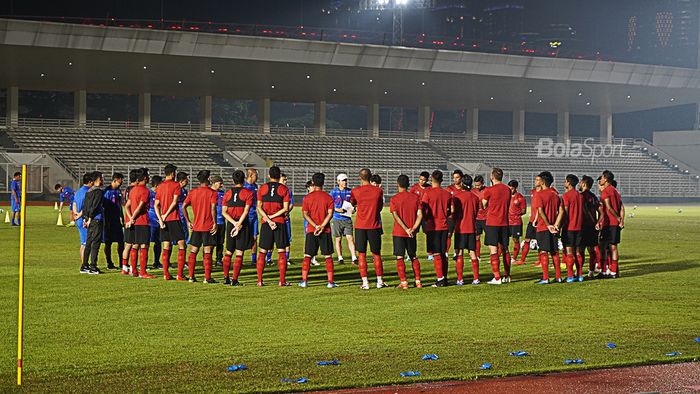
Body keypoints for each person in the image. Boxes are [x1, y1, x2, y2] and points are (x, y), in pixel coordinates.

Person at [350, 168, 386, 290]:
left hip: (360, 225)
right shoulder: (378, 191)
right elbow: (380, 207)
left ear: (360, 178)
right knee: (376, 254)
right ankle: (379, 281)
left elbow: (353, 203)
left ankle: (365, 283)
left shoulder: (355, 191)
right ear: (370, 177)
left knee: (361, 255)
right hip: (374, 225)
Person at [299, 172, 337, 288]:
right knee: (328, 256)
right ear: (323, 183)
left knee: (307, 255)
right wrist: (322, 226)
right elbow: (330, 214)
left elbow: (305, 214)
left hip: (311, 230)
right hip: (325, 230)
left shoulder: (308, 197)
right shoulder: (328, 197)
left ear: (313, 182)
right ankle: (330, 282)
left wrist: (315, 226)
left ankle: (304, 281)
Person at [256, 166, 291, 286]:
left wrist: (268, 218)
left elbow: (259, 207)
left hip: (266, 223)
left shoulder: (262, 188)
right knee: (281, 251)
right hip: (279, 223)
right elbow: (285, 208)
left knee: (262, 251)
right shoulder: (284, 189)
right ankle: (282, 281)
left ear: (269, 176)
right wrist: (273, 217)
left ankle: (260, 280)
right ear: (279, 175)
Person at [182, 170, 219, 284]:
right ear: (208, 178)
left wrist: (188, 221)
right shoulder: (212, 193)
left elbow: (183, 206)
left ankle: (191, 276)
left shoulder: (193, 192)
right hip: (208, 227)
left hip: (197, 227)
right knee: (207, 252)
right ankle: (207, 278)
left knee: (193, 251)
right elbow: (213, 208)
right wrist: (215, 223)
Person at [221, 170, 255, 286]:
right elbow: (246, 211)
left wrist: (233, 223)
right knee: (239, 252)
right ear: (244, 179)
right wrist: (238, 224)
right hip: (242, 224)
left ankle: (226, 278)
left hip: (231, 223)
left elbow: (224, 212)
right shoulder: (248, 193)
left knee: (229, 252)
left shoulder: (228, 193)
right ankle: (234, 280)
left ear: (232, 180)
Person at [390, 174, 423, 289]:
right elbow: (420, 215)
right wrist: (413, 228)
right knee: (413, 256)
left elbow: (396, 216)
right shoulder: (416, 198)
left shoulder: (394, 199)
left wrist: (405, 229)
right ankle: (418, 281)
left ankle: (404, 282)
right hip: (412, 233)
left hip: (399, 232)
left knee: (400, 257)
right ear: (408, 184)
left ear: (398, 184)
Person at [155, 165, 188, 281]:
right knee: (182, 244)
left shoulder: (160, 186)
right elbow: (174, 203)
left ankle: (166, 274)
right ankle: (179, 274)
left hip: (164, 221)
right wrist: (166, 214)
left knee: (166, 245)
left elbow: (156, 205)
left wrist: (160, 218)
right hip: (173, 218)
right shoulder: (175, 185)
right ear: (173, 173)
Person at [421, 170, 453, 287]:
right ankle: (444, 278)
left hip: (432, 226)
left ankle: (440, 279)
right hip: (444, 226)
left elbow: (424, 210)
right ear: (442, 180)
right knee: (443, 253)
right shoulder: (447, 194)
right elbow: (451, 210)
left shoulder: (427, 193)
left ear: (431, 180)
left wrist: (425, 219)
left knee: (436, 254)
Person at [482, 168, 512, 284]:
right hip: (504, 222)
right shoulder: (507, 190)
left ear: (492, 177)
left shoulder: (489, 190)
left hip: (493, 222)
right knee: (505, 249)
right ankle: (507, 276)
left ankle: (497, 277)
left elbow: (484, 205)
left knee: (493, 250)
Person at [533, 171, 563, 284]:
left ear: (543, 181)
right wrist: (556, 224)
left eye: (539, 179)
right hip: (554, 227)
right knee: (555, 251)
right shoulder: (555, 194)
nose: (537, 181)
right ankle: (558, 277)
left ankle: (545, 278)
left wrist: (548, 225)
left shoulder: (540, 194)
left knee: (544, 252)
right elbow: (561, 211)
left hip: (544, 227)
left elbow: (540, 210)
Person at [124, 168, 155, 279]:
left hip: (133, 223)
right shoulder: (145, 191)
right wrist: (133, 217)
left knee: (135, 245)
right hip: (142, 221)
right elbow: (140, 206)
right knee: (144, 245)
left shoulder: (133, 190)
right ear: (145, 178)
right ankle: (143, 272)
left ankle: (134, 270)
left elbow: (127, 206)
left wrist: (130, 219)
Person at [452, 174, 481, 285]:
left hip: (461, 228)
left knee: (459, 253)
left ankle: (460, 279)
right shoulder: (475, 197)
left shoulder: (457, 197)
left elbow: (455, 214)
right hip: (471, 228)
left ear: (462, 184)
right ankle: (476, 278)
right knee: (472, 254)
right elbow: (476, 212)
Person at [556, 174, 584, 282]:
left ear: (568, 182)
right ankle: (580, 275)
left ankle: (570, 276)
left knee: (569, 252)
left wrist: (559, 226)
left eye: (565, 181)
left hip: (569, 228)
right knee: (578, 252)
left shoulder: (566, 196)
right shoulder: (580, 196)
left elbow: (565, 213)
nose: (564, 183)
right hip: (579, 227)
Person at [597, 171, 623, 279]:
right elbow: (621, 207)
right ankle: (613, 272)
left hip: (608, 223)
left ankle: (604, 271)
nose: (600, 180)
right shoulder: (616, 191)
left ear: (606, 179)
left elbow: (608, 207)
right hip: (615, 224)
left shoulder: (605, 192)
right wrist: (621, 220)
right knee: (614, 247)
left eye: (602, 178)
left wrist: (616, 217)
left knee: (603, 247)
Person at [80, 172, 105, 275]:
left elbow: (85, 206)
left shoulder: (89, 191)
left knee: (89, 242)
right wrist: (90, 217)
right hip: (96, 219)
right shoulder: (98, 192)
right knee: (96, 243)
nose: (102, 180)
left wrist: (85, 218)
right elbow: (95, 206)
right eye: (101, 179)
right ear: (96, 180)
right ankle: (93, 266)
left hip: (89, 220)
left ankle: (84, 265)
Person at [330, 173, 358, 264]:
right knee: (338, 239)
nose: (345, 182)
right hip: (337, 218)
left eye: (346, 180)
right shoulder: (333, 192)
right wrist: (337, 210)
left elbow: (355, 204)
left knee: (350, 238)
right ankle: (340, 257)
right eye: (343, 180)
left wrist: (354, 209)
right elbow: (329, 205)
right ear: (338, 181)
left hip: (347, 218)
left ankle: (354, 257)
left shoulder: (351, 191)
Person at [579, 175, 602, 277]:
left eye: (580, 182)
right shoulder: (593, 197)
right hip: (592, 227)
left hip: (583, 226)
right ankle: (591, 271)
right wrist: (598, 222)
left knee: (580, 250)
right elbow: (601, 211)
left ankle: (578, 272)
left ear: (583, 184)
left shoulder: (580, 196)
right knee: (591, 250)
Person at [516, 179, 542, 266]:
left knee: (540, 241)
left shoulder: (543, 192)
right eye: (535, 179)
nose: (535, 181)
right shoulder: (533, 191)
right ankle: (522, 259)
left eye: (537, 180)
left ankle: (540, 260)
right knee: (527, 239)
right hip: (532, 220)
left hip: (540, 221)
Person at [102, 173, 125, 270]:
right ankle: (109, 263)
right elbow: (104, 206)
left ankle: (122, 262)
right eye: (121, 180)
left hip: (117, 220)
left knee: (121, 241)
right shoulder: (107, 191)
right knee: (108, 242)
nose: (122, 182)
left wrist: (122, 217)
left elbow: (120, 206)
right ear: (115, 180)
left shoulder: (118, 191)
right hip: (109, 220)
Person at [410, 171, 432, 260]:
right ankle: (412, 253)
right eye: (420, 179)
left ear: (427, 180)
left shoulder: (430, 188)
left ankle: (430, 253)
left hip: (426, 215)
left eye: (423, 180)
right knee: (413, 233)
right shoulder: (414, 188)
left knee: (429, 234)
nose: (421, 181)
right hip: (416, 215)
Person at [73, 173, 92, 269]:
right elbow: (86, 206)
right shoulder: (88, 192)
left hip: (79, 219)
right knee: (85, 243)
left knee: (83, 242)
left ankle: (84, 263)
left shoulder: (78, 191)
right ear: (89, 182)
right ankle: (84, 264)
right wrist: (80, 215)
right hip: (84, 219)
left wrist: (75, 213)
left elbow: (74, 203)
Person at [507, 180, 526, 264]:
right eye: (509, 188)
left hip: (516, 222)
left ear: (515, 188)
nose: (510, 190)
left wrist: (515, 214)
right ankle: (502, 255)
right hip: (506, 222)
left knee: (515, 240)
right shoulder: (506, 197)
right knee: (503, 240)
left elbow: (523, 210)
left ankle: (514, 258)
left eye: (511, 189)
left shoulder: (520, 197)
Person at [445, 170, 463, 259]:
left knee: (458, 234)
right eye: (454, 177)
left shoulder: (464, 189)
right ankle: (446, 252)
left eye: (457, 177)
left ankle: (457, 252)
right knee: (449, 234)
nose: (455, 179)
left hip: (461, 216)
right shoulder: (449, 189)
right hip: (451, 216)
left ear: (461, 178)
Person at [244, 168, 260, 265]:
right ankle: (240, 257)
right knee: (243, 237)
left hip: (254, 215)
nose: (257, 177)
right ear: (250, 176)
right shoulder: (244, 187)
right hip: (245, 216)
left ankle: (254, 260)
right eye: (256, 175)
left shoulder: (255, 186)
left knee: (254, 237)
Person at [210, 175, 226, 267]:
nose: (221, 185)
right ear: (215, 183)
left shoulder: (222, 193)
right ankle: (208, 259)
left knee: (220, 242)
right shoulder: (209, 193)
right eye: (220, 183)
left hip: (222, 221)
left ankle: (219, 259)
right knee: (211, 242)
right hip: (212, 222)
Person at [148, 175, 163, 269]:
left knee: (159, 242)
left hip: (159, 220)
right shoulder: (148, 193)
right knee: (146, 242)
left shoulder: (160, 193)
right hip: (150, 221)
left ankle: (156, 261)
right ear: (157, 184)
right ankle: (143, 263)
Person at [472, 175, 488, 259]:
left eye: (479, 185)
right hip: (476, 218)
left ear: (483, 183)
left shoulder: (487, 190)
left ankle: (495, 254)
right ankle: (477, 256)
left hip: (487, 218)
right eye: (476, 185)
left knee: (490, 237)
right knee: (476, 237)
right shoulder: (472, 191)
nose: (477, 187)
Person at [280, 173, 294, 265]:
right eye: (284, 180)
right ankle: (268, 259)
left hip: (285, 217)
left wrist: (286, 212)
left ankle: (287, 258)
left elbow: (291, 204)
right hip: (277, 218)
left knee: (288, 238)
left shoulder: (288, 191)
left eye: (286, 180)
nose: (285, 181)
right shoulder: (277, 191)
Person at [176, 171, 190, 244]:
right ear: (181, 181)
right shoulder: (175, 189)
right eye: (186, 180)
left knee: (184, 227)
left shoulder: (184, 190)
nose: (187, 181)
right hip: (177, 212)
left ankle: (186, 240)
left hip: (183, 212)